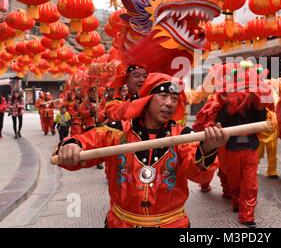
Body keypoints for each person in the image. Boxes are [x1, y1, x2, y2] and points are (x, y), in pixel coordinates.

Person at [54, 73, 229, 228]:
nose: (169, 103)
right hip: (121, 223)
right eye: (163, 95)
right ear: (147, 98)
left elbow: (199, 175)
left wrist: (207, 148)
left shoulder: (184, 136)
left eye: (175, 99)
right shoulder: (117, 132)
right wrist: (71, 145)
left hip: (171, 224)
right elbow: (85, 143)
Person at [193, 61, 273, 228]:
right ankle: (236, 199)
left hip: (250, 149)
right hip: (230, 150)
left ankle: (247, 215)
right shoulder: (222, 106)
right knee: (234, 181)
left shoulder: (256, 105)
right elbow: (218, 124)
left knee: (250, 183)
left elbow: (264, 121)